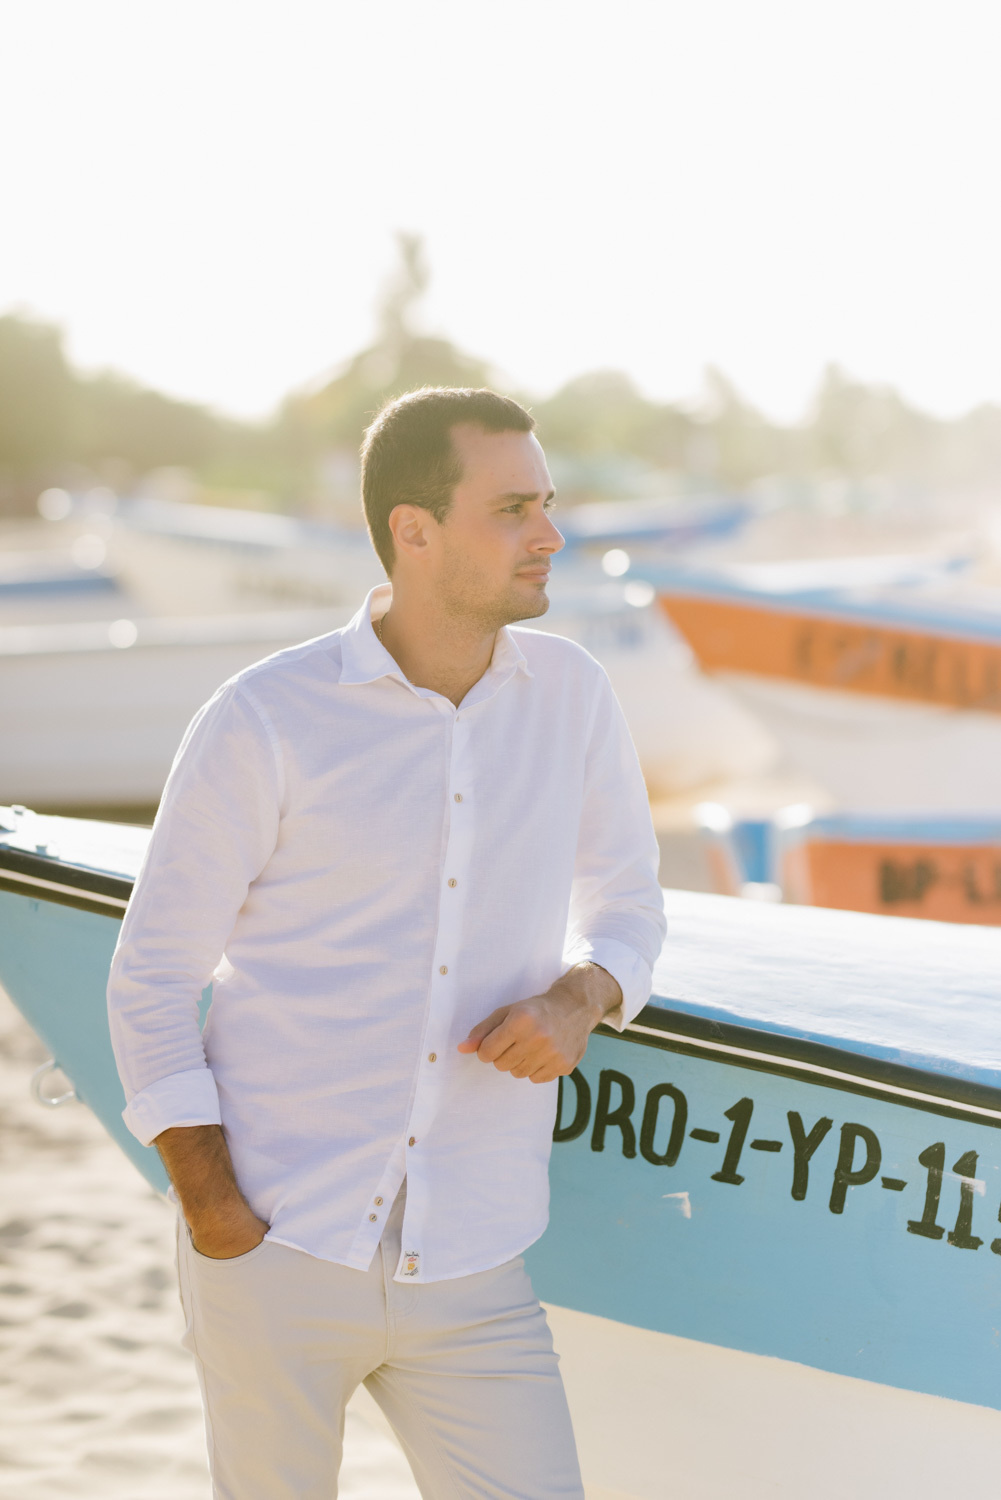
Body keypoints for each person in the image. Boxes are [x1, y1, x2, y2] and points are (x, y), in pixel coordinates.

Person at [107, 386, 667, 1500]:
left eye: (547, 502)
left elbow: (630, 905)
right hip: (277, 1246)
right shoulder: (266, 717)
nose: (549, 534)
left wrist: (579, 997)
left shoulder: (572, 697)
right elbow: (152, 979)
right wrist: (219, 1216)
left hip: (473, 1260)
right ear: (413, 530)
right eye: (513, 507)